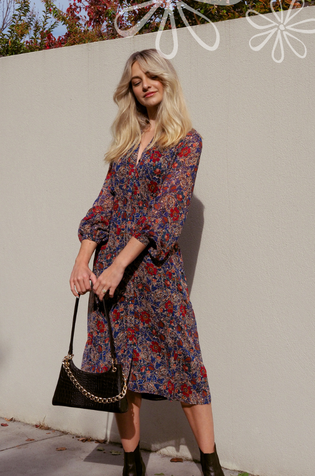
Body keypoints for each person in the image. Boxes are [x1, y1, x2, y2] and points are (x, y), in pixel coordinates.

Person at [68, 48, 221, 476]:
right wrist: (85, 259)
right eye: (136, 81)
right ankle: (131, 464)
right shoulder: (125, 145)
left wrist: (118, 264)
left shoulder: (187, 141)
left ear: (166, 80)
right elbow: (103, 206)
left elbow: (167, 210)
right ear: (130, 91)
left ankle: (211, 465)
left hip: (154, 271)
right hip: (111, 277)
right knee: (120, 372)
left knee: (186, 363)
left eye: (151, 76)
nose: (144, 84)